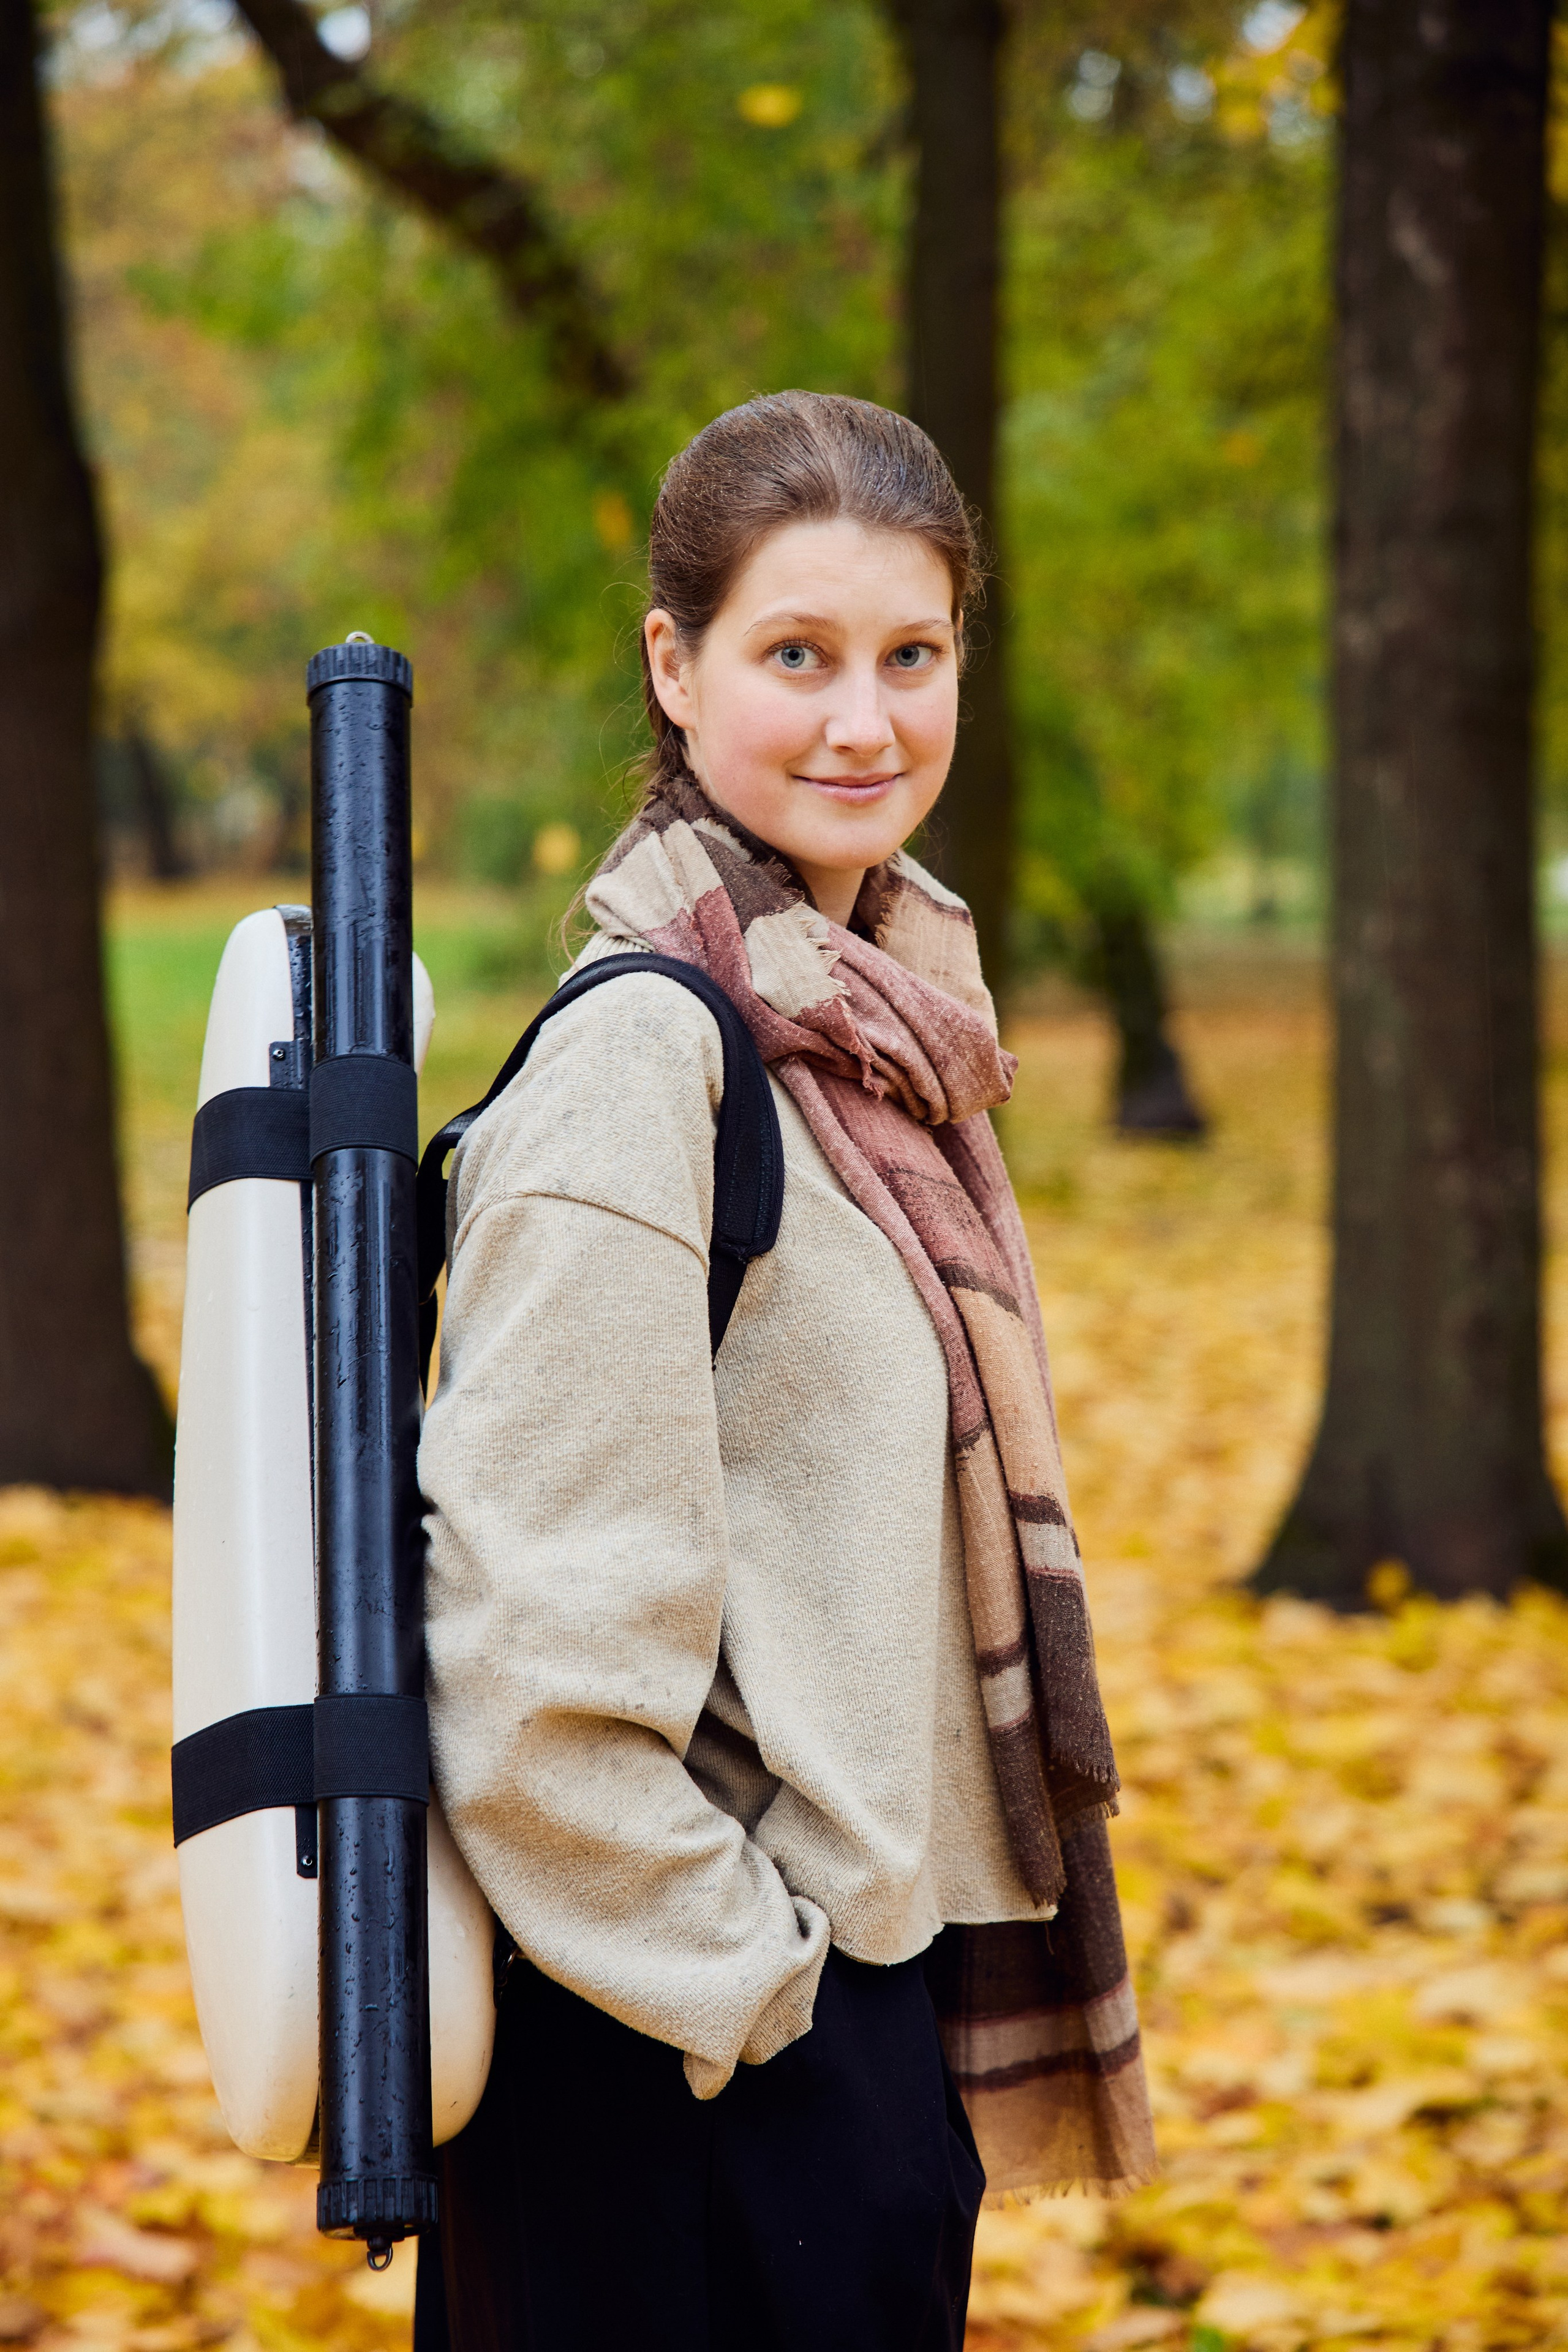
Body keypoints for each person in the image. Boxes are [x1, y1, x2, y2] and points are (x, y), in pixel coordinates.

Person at [413, 390, 1155, 2352]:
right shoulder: (645, 1066)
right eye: (798, 656)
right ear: (676, 666)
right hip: (685, 2076)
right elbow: (527, 1681)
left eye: (914, 656)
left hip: (819, 2043)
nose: (865, 723)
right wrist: (774, 2013)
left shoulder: (877, 1041)